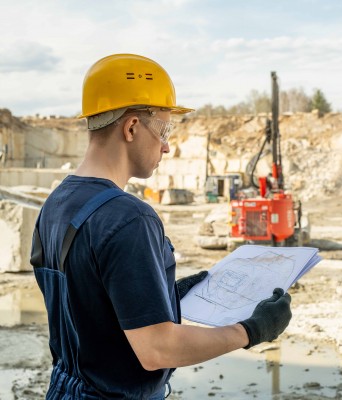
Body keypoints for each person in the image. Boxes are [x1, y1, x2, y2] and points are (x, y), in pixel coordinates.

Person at [30, 53, 292, 399]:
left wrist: (162, 295)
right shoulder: (128, 218)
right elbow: (157, 350)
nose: (167, 146)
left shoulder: (56, 203)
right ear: (132, 127)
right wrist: (250, 330)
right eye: (164, 129)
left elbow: (86, 304)